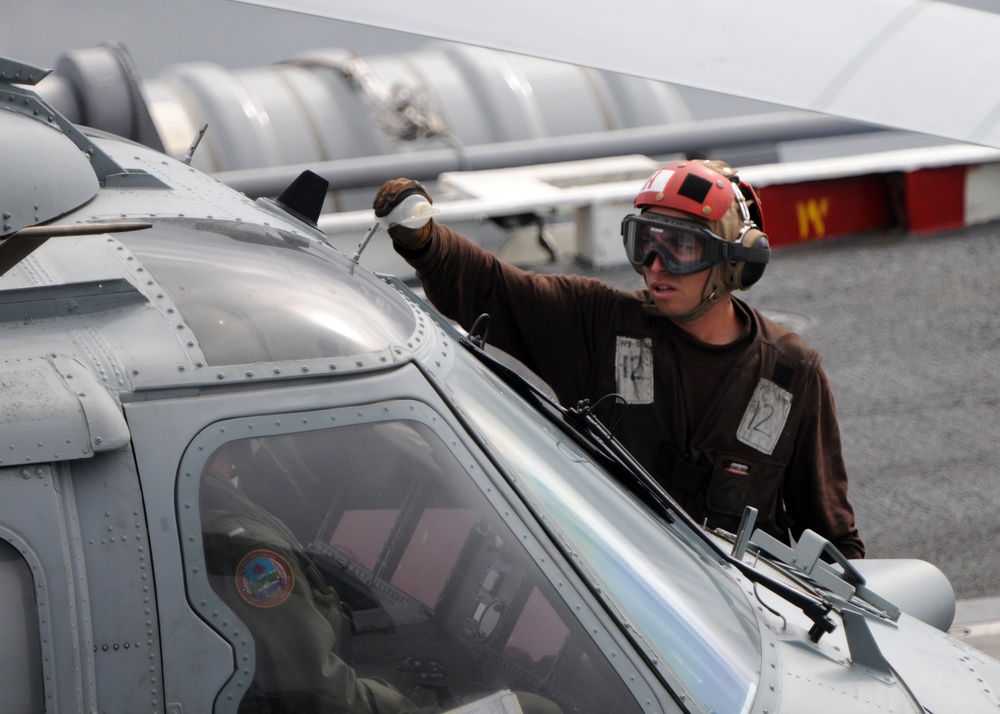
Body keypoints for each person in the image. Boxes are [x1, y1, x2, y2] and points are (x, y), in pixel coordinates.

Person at [372, 159, 864, 559]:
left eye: (682, 249)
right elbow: (498, 289)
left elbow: (831, 541)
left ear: (736, 261)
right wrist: (425, 241)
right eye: (646, 243)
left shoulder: (789, 373)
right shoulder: (601, 323)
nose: (655, 266)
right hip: (617, 601)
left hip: (740, 626)